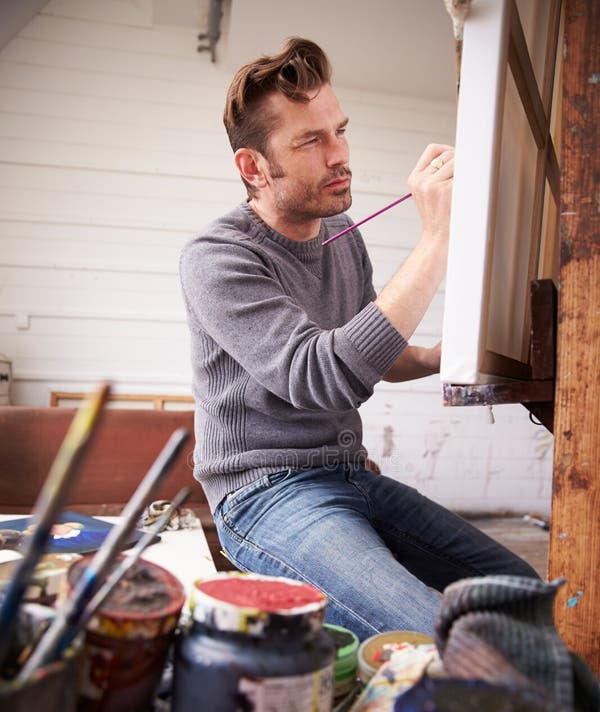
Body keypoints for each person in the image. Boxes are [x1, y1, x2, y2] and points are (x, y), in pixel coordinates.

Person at [180, 37, 539, 642]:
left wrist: (443, 357)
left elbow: (370, 349)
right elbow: (321, 375)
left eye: (339, 130)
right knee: (436, 636)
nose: (340, 155)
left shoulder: (342, 235)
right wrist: (438, 238)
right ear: (253, 167)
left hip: (350, 474)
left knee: (520, 591)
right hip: (264, 495)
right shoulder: (216, 258)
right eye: (310, 141)